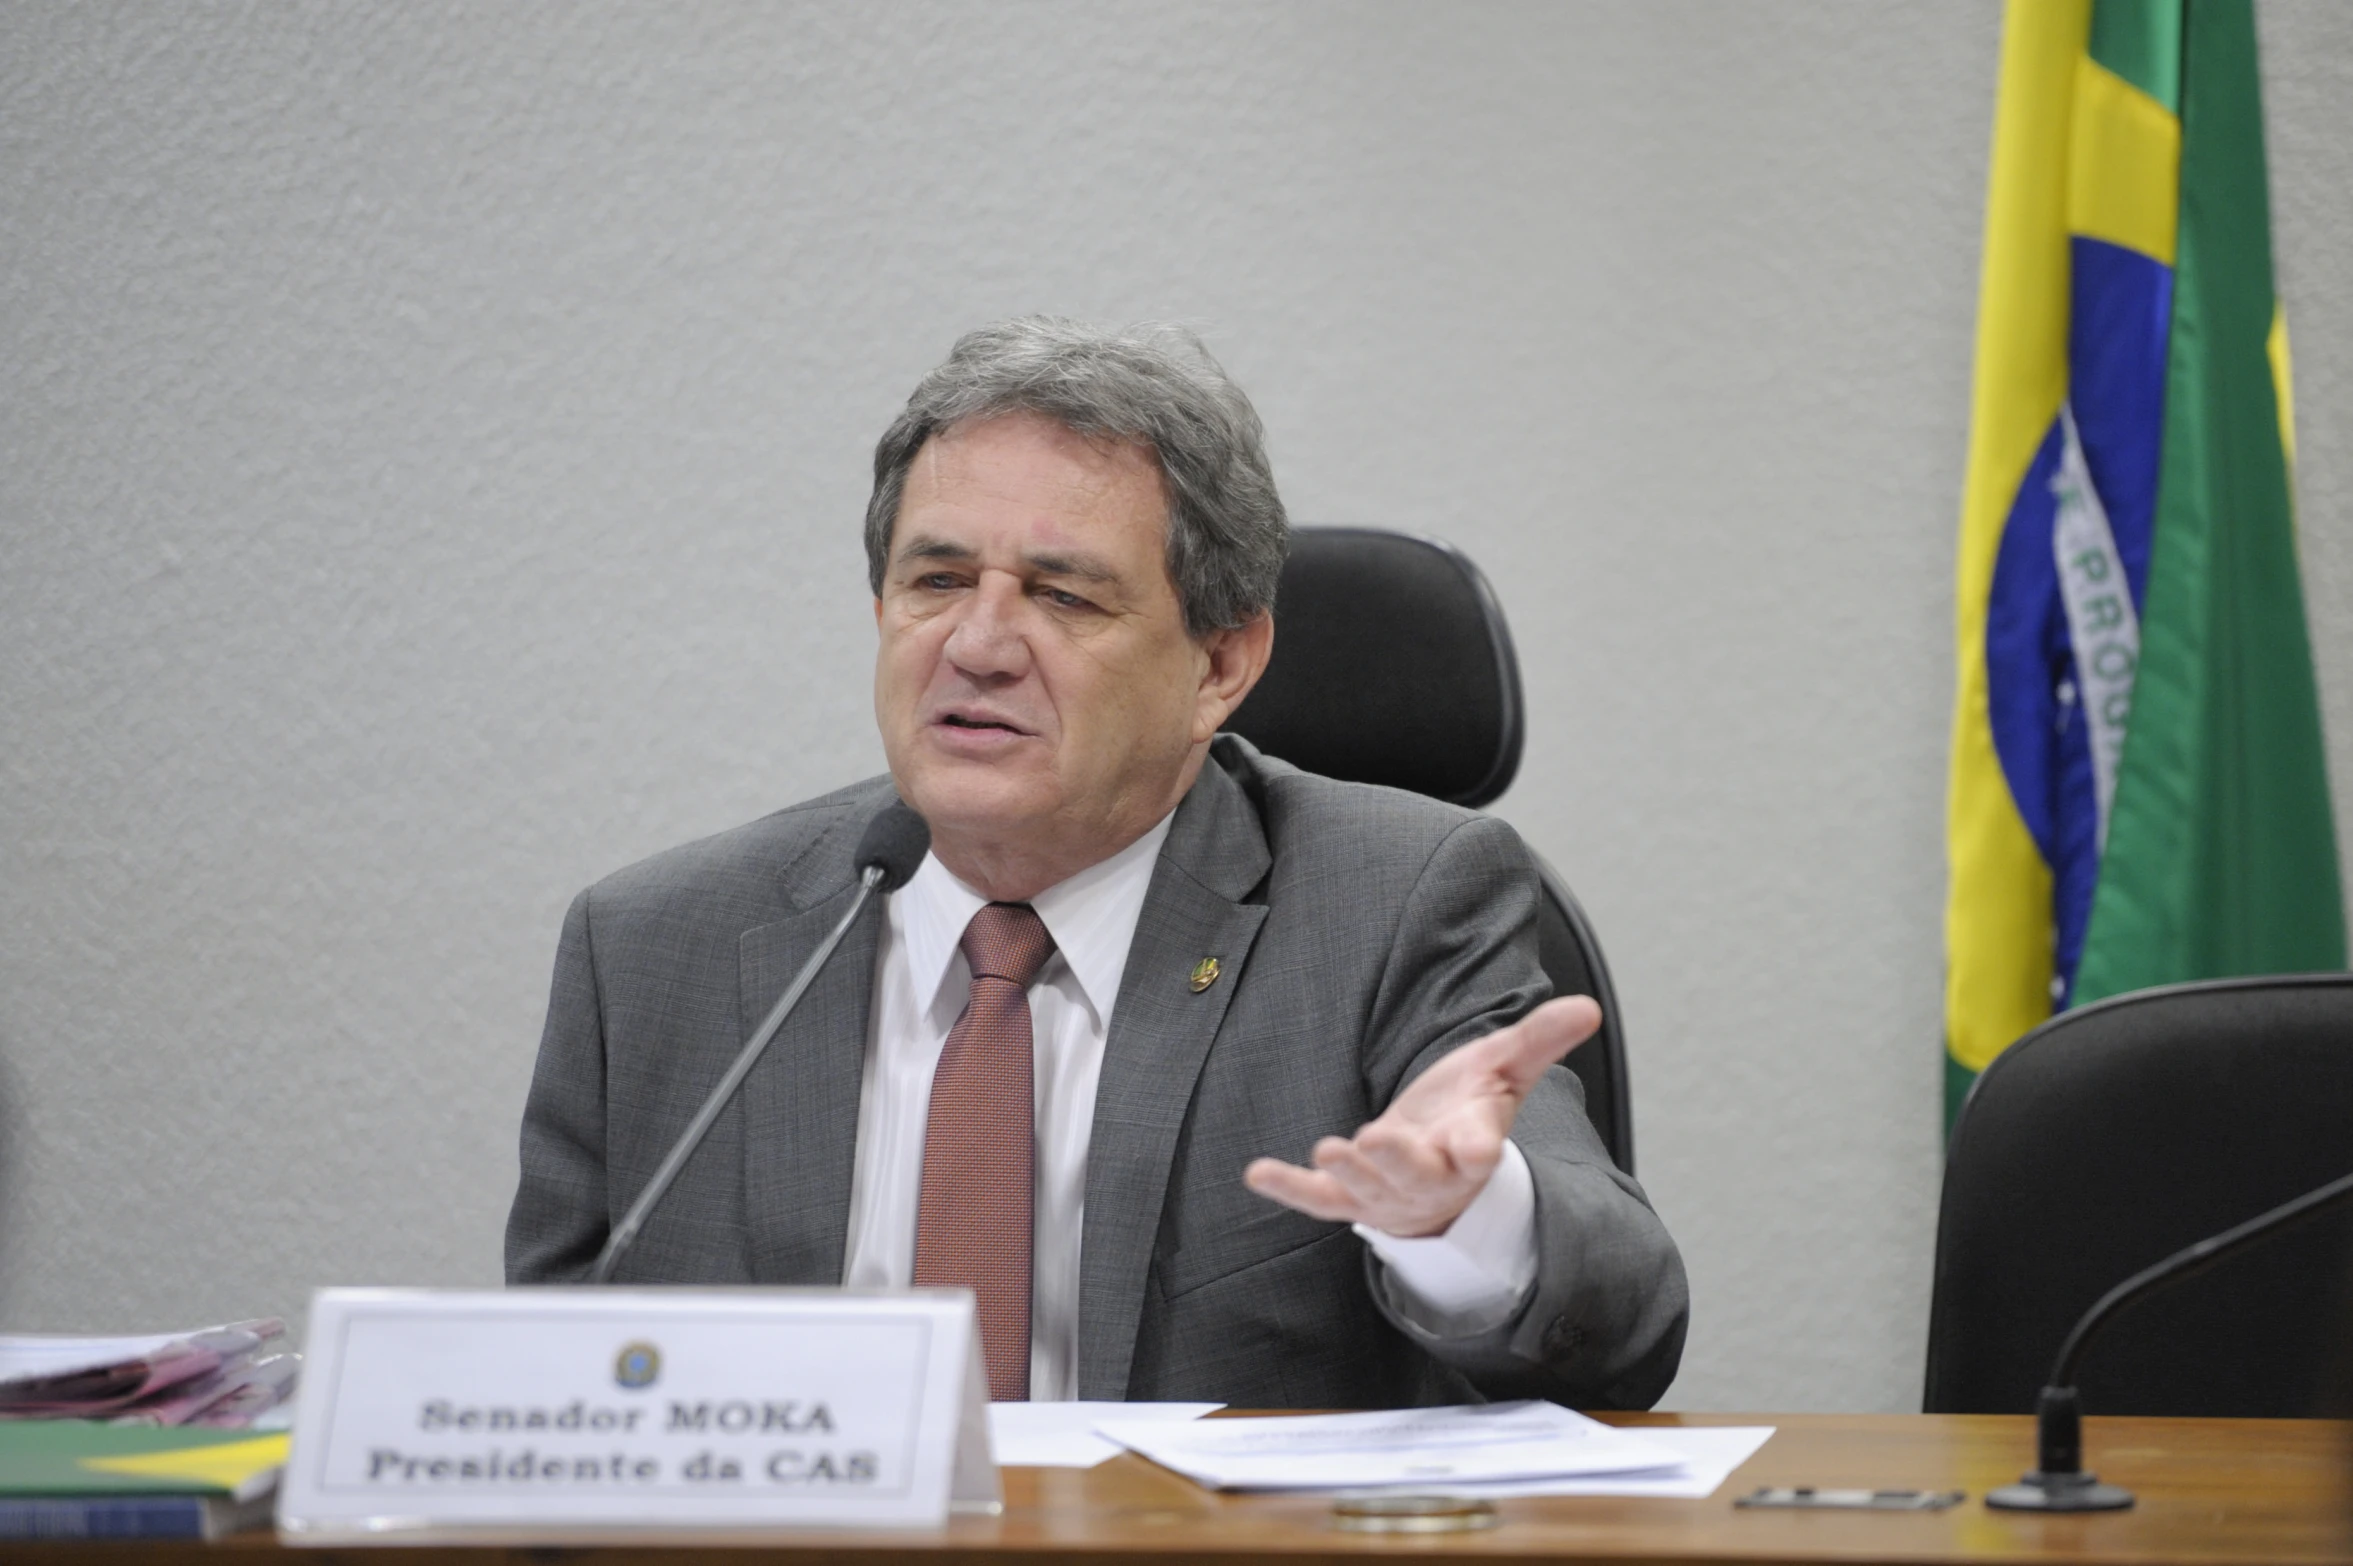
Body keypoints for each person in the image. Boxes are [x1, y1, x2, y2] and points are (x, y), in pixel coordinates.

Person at [506, 318, 1688, 1409]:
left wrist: (1465, 1219)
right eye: (937, 581)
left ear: (1220, 666)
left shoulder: (1397, 906)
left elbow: (1623, 1329)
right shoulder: (658, 947)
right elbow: (551, 1407)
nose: (976, 645)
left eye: (1062, 596)